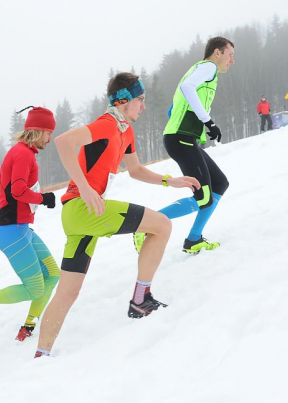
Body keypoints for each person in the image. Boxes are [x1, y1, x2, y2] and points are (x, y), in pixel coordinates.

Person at [34, 72, 200, 358]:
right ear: (123, 101)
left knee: (68, 292)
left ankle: (41, 354)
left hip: (80, 216)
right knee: (161, 224)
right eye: (140, 100)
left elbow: (135, 170)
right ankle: (140, 300)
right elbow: (63, 142)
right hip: (83, 207)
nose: (143, 106)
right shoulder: (107, 124)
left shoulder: (126, 131)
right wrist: (85, 188)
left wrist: (169, 181)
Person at [0, 107, 60, 341]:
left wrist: (14, 214)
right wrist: (42, 199)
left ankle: (28, 327)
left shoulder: (18, 152)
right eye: (49, 133)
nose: (50, 138)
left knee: (53, 274)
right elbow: (17, 191)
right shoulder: (23, 154)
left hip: (17, 228)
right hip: (12, 231)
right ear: (38, 131)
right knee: (34, 287)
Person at [133, 36, 234, 256]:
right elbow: (187, 88)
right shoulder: (208, 68)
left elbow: (176, 102)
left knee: (219, 183)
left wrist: (193, 119)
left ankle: (194, 239)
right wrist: (208, 121)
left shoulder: (197, 70)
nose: (232, 60)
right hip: (180, 139)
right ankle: (145, 224)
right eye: (230, 54)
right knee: (203, 196)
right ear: (217, 53)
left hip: (184, 138)